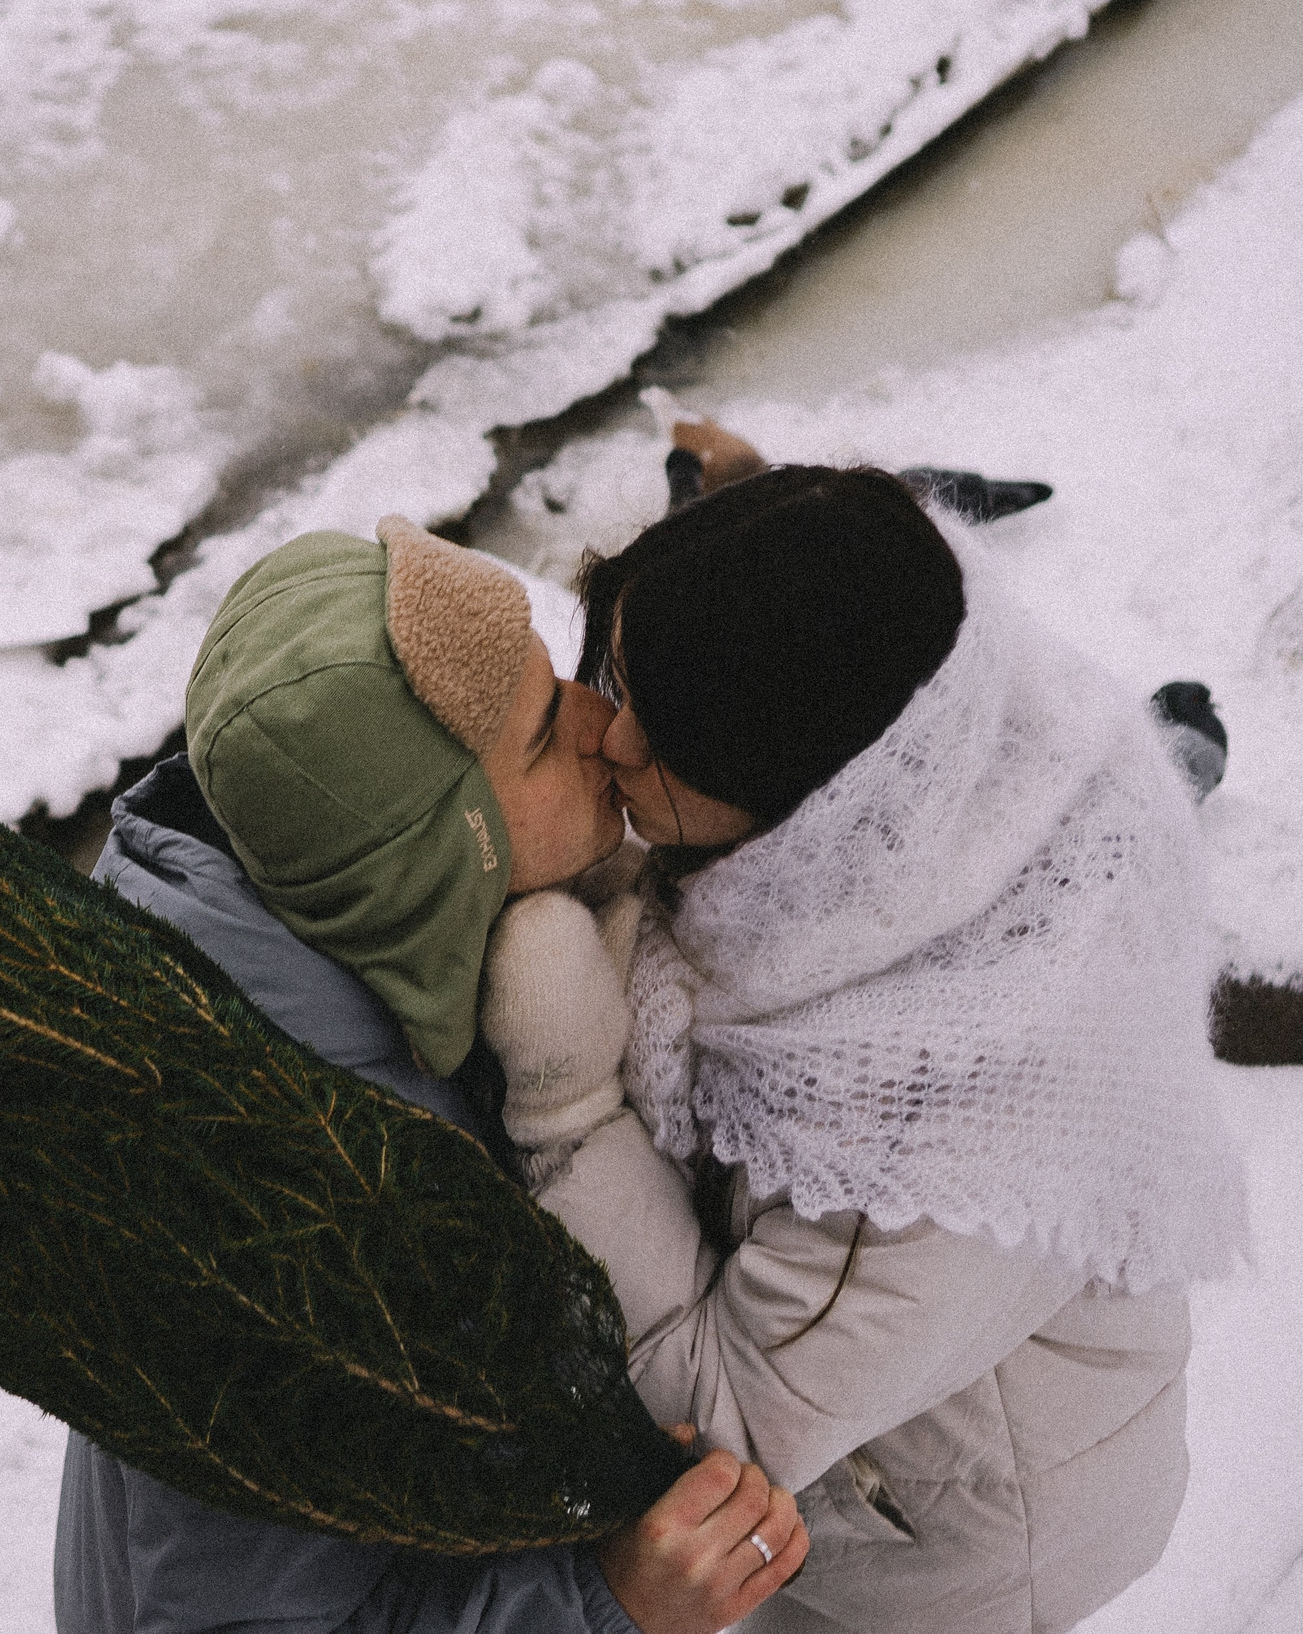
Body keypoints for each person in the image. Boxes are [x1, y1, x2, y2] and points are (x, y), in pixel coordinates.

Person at [479, 460, 1250, 1633]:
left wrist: (565, 1109)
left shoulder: (927, 1131)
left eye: (668, 733)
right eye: (620, 676)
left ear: (815, 792)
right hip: (905, 1450)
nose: (611, 737)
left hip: (949, 1555)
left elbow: (723, 1414)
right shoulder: (942, 759)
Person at [55, 516, 810, 1634]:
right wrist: (595, 1602)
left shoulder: (331, 972)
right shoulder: (289, 1221)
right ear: (439, 858)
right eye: (548, 731)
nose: (608, 730)